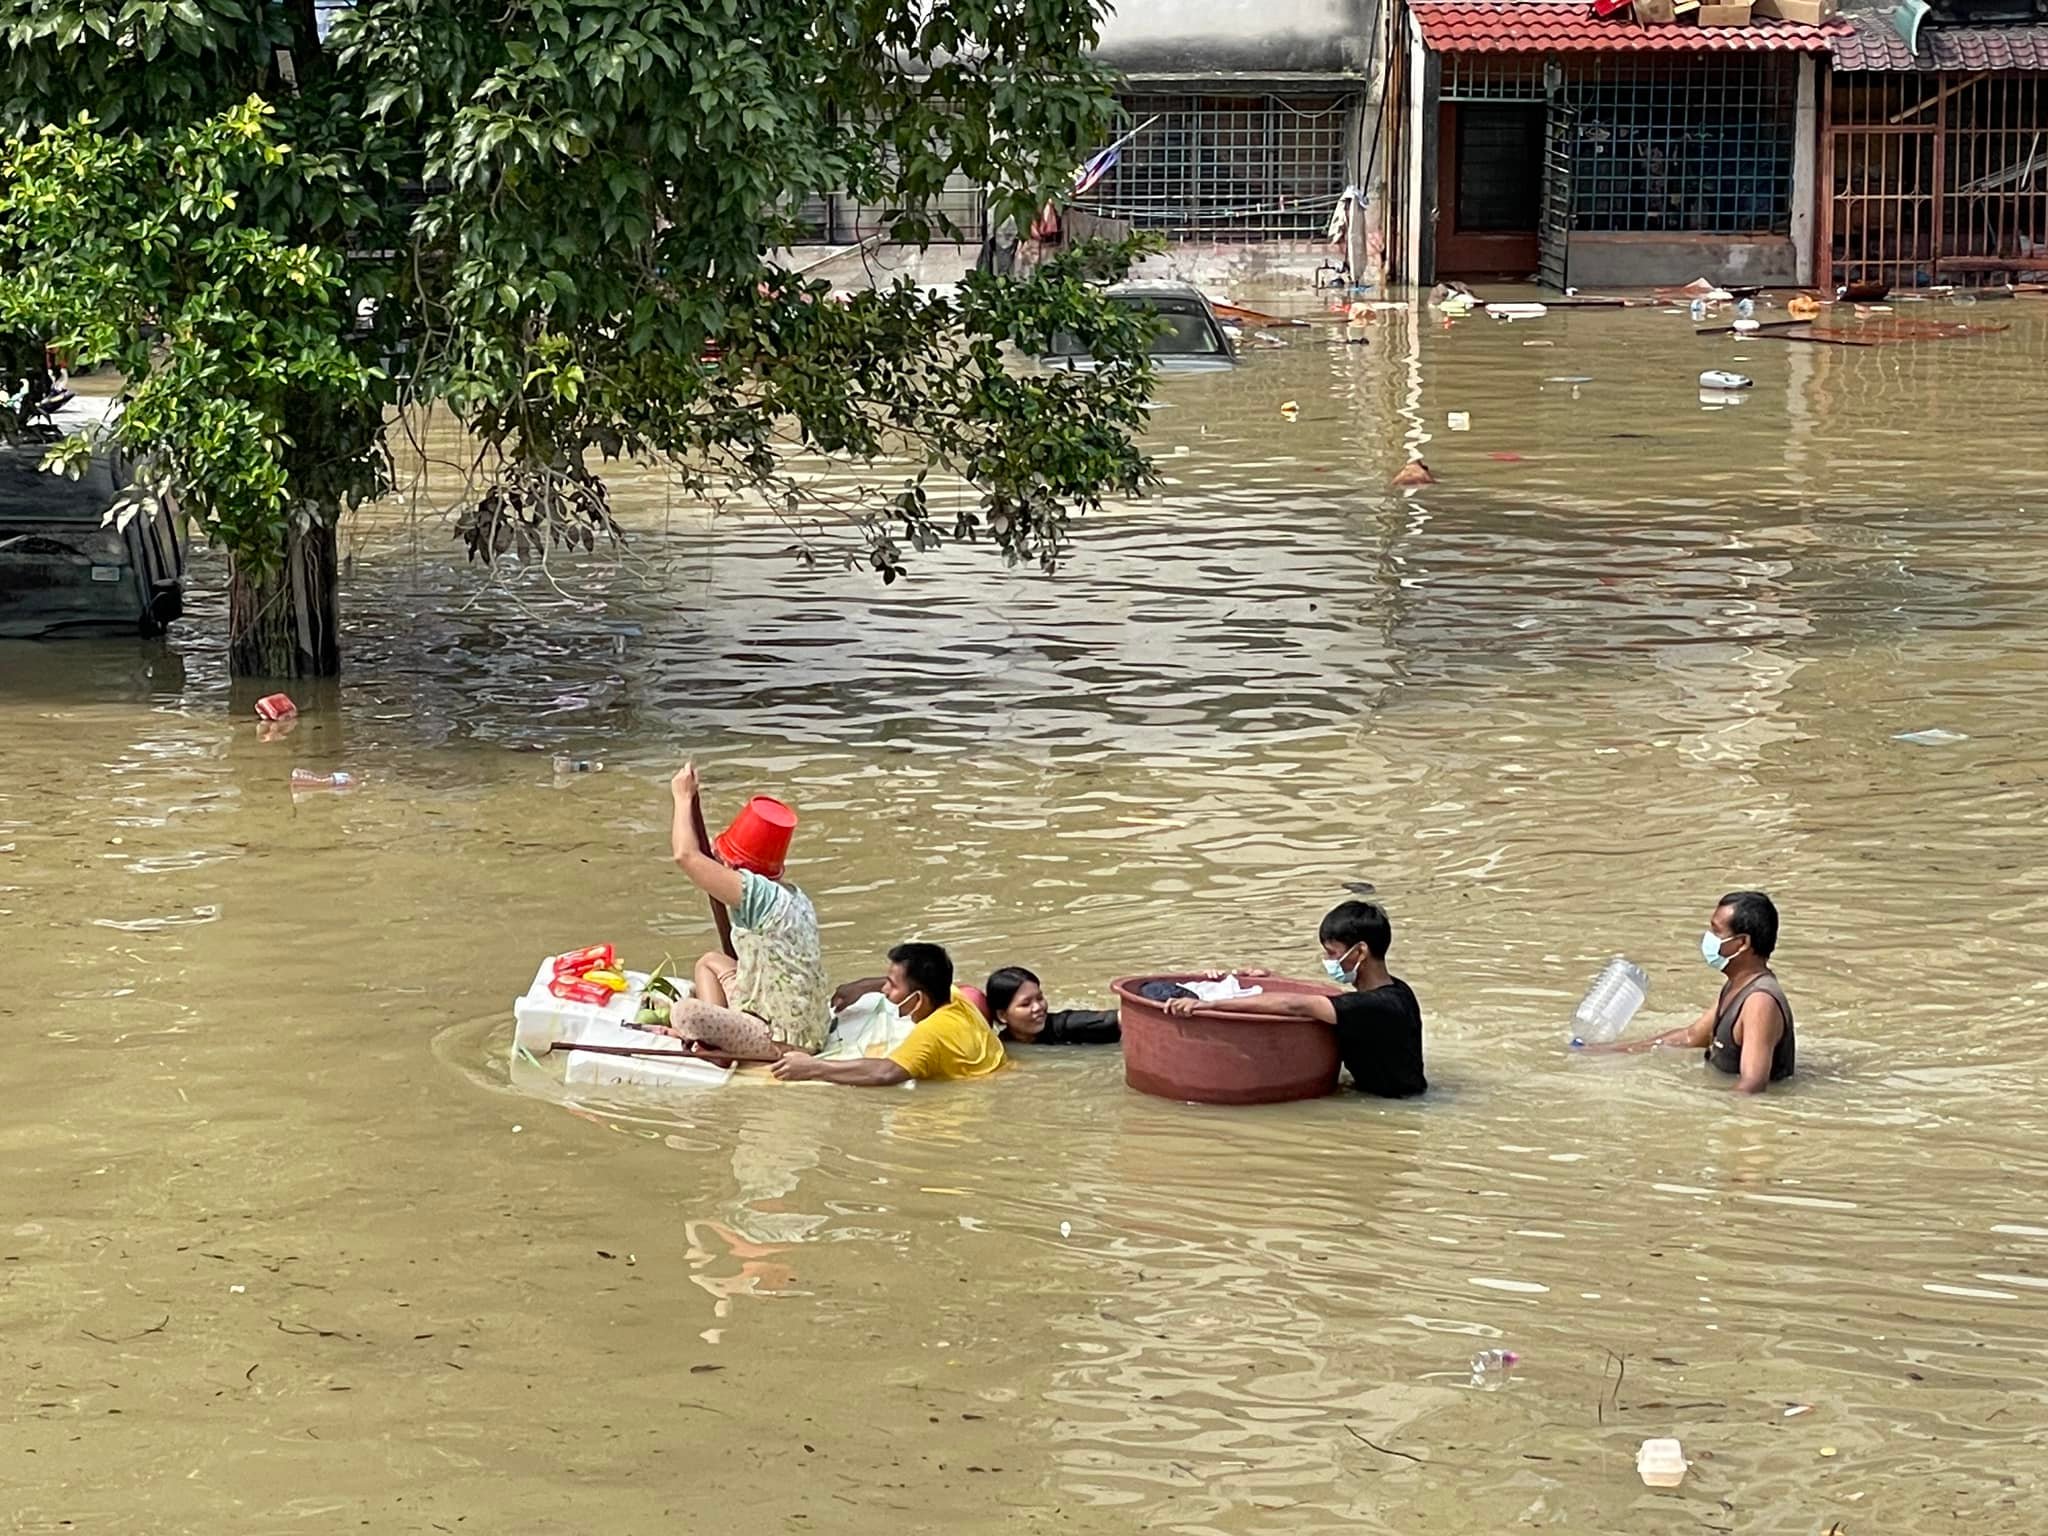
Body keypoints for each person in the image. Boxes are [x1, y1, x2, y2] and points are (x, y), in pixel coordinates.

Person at [653, 763, 830, 1060]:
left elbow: (686, 855)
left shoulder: (755, 892)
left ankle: (719, 1049)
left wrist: (682, 797)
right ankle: (718, 1038)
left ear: (737, 867)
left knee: (685, 1013)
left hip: (782, 1037)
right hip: (808, 1024)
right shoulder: (793, 895)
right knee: (710, 962)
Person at [1164, 900, 1425, 1098]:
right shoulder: (1397, 991)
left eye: (1333, 954)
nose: (1329, 962)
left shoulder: (1375, 1006)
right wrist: (1270, 978)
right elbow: (1317, 1000)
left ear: (1360, 952)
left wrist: (1209, 1004)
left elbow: (1296, 1004)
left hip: (1394, 1103)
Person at [1593, 891, 1794, 1093]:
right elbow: (1692, 1037)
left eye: (1716, 931)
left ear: (1742, 944)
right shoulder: (1738, 985)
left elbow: (1752, 1085)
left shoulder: (1759, 1002)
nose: (1708, 938)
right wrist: (1613, 1050)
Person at [774, 943, 1005, 1085]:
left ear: (918, 999)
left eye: (892, 985)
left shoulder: (931, 1033)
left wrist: (812, 1068)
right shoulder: (954, 996)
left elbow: (885, 1073)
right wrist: (863, 986)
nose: (885, 990)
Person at [984, 966, 1120, 1045]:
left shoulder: (1066, 1026)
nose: (1038, 1007)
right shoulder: (1001, 1045)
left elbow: (1121, 1019)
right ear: (1002, 1015)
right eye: (1026, 1004)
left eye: (1040, 998)